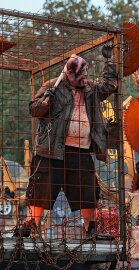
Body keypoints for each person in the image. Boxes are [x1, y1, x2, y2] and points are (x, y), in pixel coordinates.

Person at [15, 47, 117, 238]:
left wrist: (109, 60)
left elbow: (110, 86)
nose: (84, 79)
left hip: (81, 150)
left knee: (88, 192)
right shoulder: (53, 86)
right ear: (69, 73)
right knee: (40, 188)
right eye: (80, 75)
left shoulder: (90, 89)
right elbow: (33, 110)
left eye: (85, 74)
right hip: (51, 150)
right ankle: (30, 225)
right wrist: (45, 102)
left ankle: (91, 229)